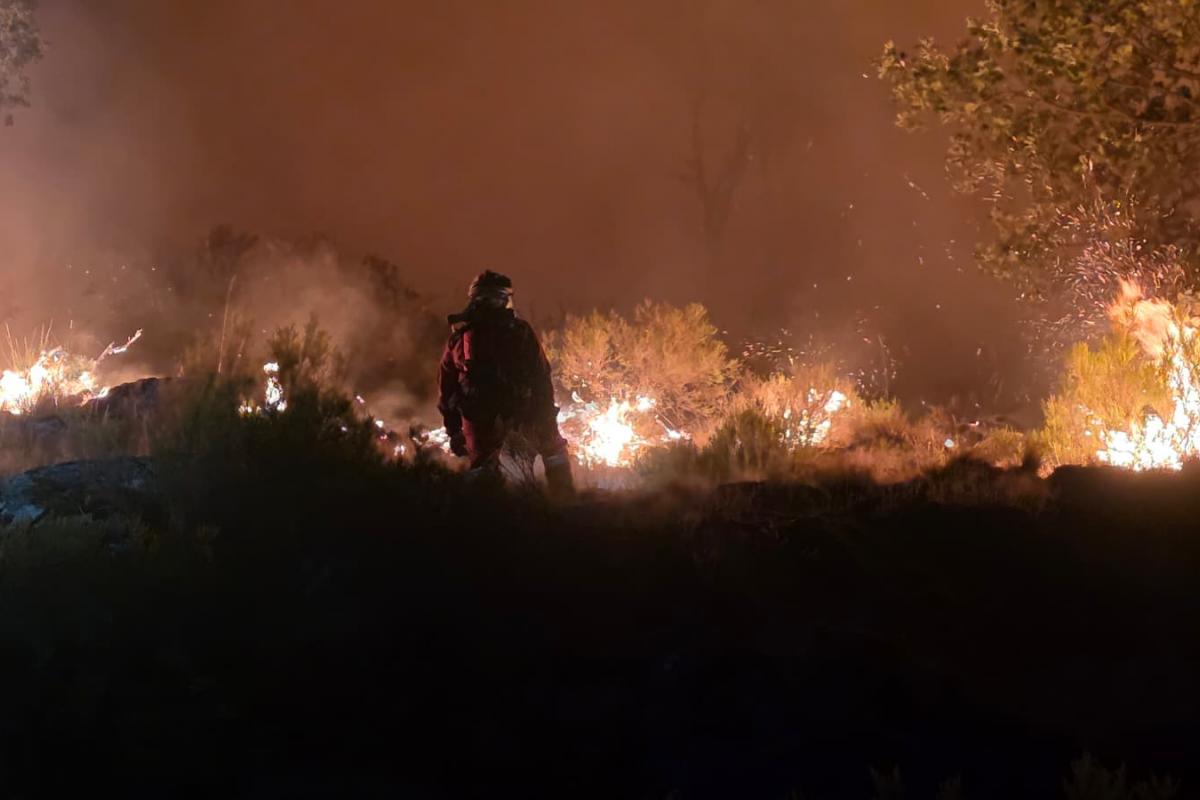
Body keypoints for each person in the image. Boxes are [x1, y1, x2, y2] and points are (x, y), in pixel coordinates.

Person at [437, 271, 574, 496]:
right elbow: (540, 376)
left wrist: (454, 430)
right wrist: (546, 413)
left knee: (482, 468)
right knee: (553, 450)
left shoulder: (461, 337)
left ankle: (489, 516)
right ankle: (566, 502)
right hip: (519, 408)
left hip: (481, 413)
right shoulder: (519, 331)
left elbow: (447, 389)